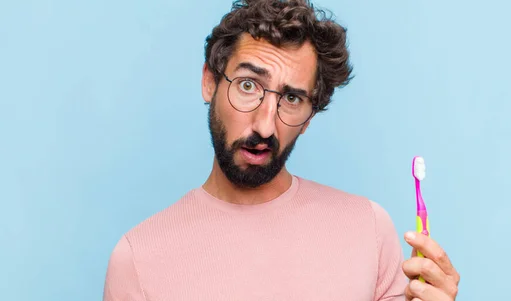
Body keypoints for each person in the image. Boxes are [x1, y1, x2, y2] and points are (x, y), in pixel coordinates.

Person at [102, 0, 460, 300]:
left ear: (309, 118)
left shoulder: (369, 230)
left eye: (291, 98)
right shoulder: (138, 257)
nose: (264, 125)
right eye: (247, 85)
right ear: (209, 82)